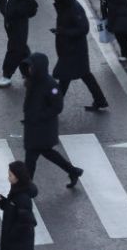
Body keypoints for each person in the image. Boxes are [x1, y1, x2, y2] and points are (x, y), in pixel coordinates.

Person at [20, 53, 83, 187]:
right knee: (47, 153)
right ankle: (73, 171)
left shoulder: (51, 86)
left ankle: (25, 188)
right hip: (35, 127)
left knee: (31, 159)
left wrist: (38, 116)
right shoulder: (33, 81)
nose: (29, 69)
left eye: (31, 67)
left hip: (43, 128)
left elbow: (57, 107)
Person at [48, 0, 108, 111]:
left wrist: (63, 32)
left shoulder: (74, 8)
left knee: (64, 78)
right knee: (83, 75)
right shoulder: (65, 6)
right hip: (70, 50)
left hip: (74, 51)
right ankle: (100, 100)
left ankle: (52, 106)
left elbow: (84, 28)